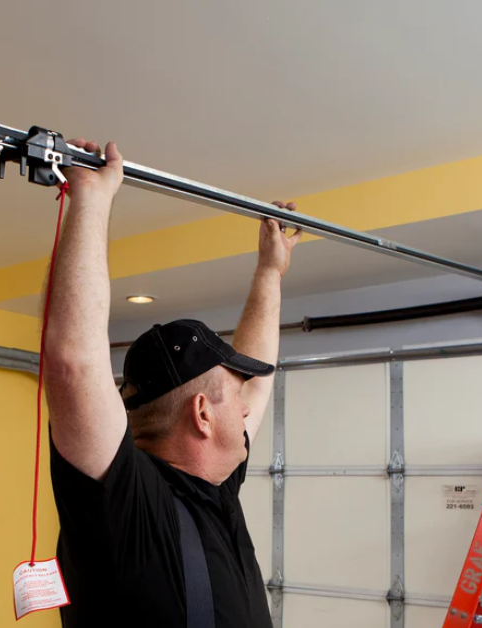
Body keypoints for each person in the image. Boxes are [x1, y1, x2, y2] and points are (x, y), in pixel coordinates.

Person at [43, 138, 301, 627]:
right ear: (202, 414)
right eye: (234, 396)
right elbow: (73, 363)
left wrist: (271, 271)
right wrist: (92, 202)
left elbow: (258, 381)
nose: (247, 409)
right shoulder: (128, 509)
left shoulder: (214, 486)